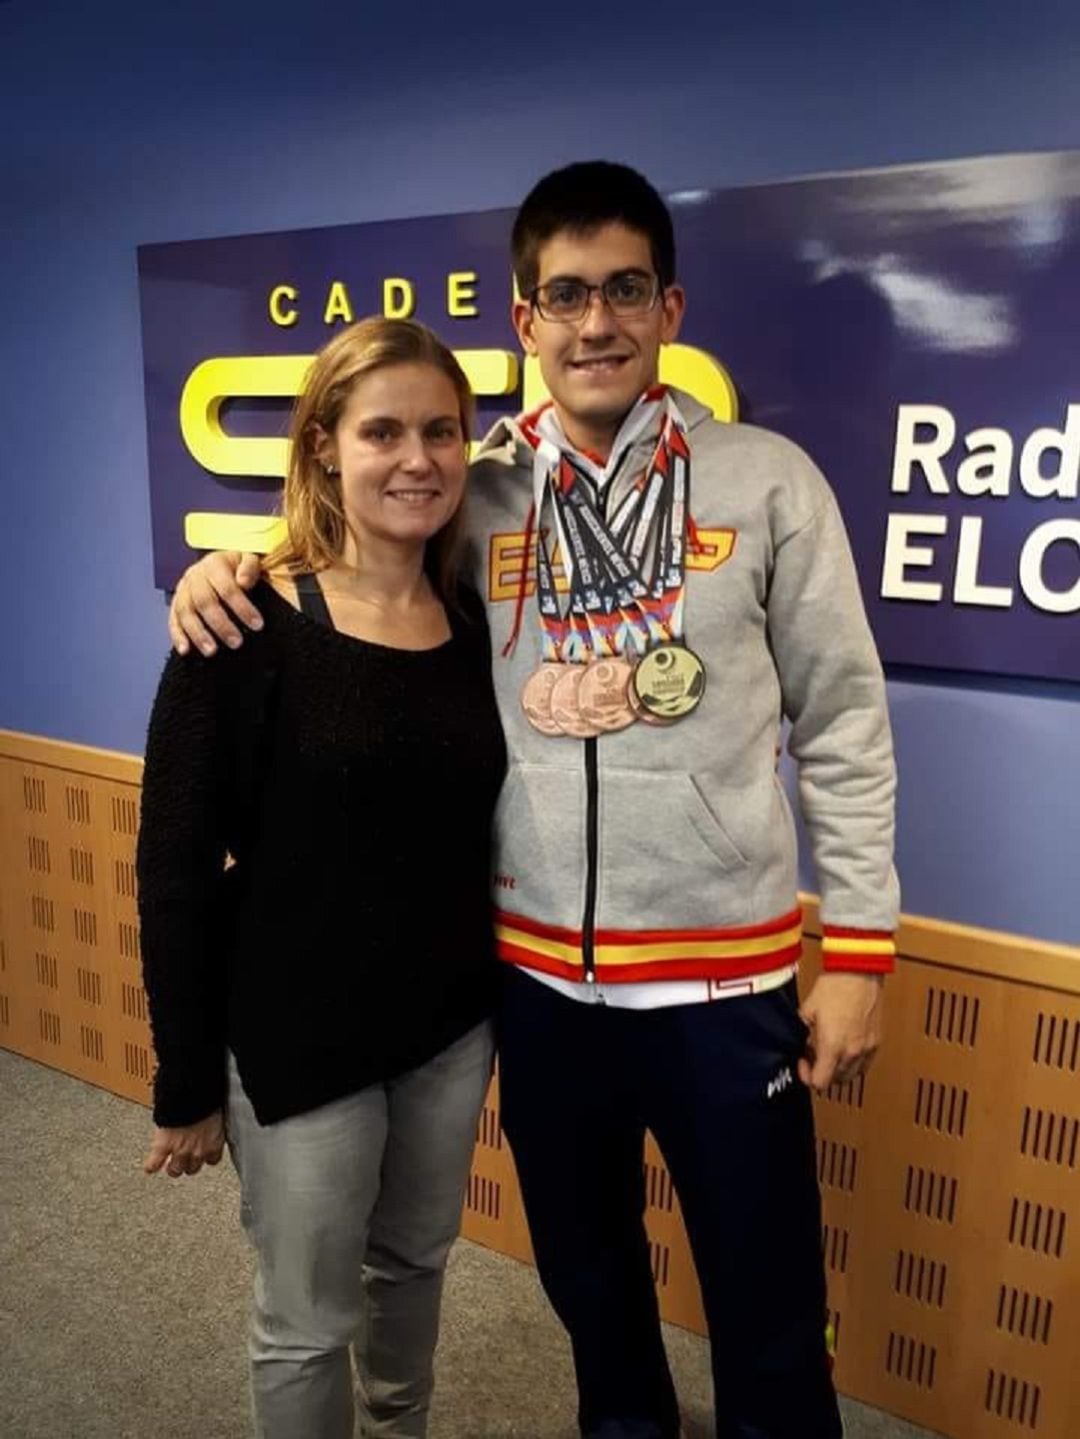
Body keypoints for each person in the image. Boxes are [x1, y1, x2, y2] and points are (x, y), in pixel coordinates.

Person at [167, 162, 899, 1439]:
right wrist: (224, 567)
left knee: (769, 1307)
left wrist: (861, 950)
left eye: (624, 290)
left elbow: (842, 722)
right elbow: (352, 563)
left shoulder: (769, 483)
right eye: (564, 295)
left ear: (669, 307)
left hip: (725, 989)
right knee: (592, 1290)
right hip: (542, 992)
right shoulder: (479, 491)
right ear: (524, 321)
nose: (595, 322)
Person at [137, 316, 507, 1439]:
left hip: (448, 1029)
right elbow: (173, 865)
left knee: (413, 1265)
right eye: (382, 429)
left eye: (441, 430)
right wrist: (187, 1079)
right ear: (322, 450)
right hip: (300, 1044)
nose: (417, 458)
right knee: (304, 1317)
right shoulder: (243, 622)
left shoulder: (478, 617)